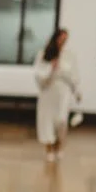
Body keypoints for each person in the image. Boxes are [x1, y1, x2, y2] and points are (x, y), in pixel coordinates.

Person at [34, 28, 80, 162]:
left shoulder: (70, 55)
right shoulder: (43, 54)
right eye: (61, 38)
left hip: (63, 93)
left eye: (65, 39)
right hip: (48, 92)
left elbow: (74, 76)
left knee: (61, 120)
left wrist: (76, 91)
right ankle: (49, 148)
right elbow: (38, 74)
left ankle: (59, 146)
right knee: (47, 121)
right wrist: (50, 68)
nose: (63, 41)